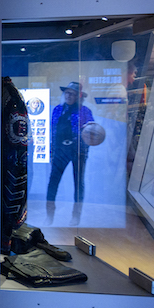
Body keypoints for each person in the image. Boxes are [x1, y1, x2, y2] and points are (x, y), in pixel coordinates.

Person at [46, 81, 94, 226]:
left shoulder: (85, 111)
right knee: (52, 183)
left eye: (72, 93)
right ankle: (49, 216)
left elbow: (92, 132)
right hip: (60, 151)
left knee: (78, 184)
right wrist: (51, 151)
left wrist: (88, 127)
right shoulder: (57, 110)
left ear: (78, 96)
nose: (68, 95)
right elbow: (52, 132)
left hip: (78, 151)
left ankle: (76, 216)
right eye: (67, 92)